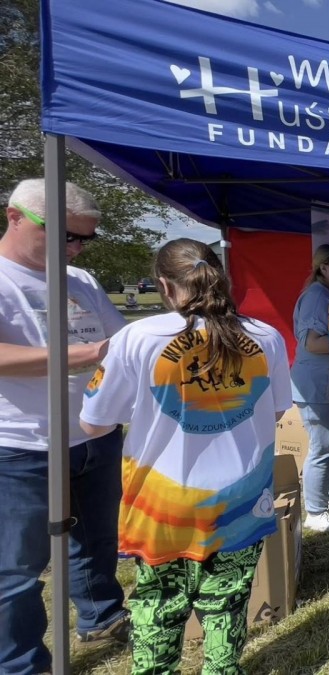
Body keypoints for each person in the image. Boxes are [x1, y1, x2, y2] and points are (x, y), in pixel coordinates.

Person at [80, 238, 291, 675]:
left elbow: (94, 423)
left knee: (158, 602)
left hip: (161, 501)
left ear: (163, 284)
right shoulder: (265, 336)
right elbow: (276, 410)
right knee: (229, 599)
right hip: (241, 497)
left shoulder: (137, 337)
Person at [0, 179, 131, 673]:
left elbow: (120, 341)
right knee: (17, 567)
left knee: (97, 540)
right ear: (15, 216)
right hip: (21, 445)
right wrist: (84, 355)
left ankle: (102, 616)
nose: (76, 248)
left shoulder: (81, 280)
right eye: (65, 236)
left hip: (95, 435)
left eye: (86, 239)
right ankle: (21, 663)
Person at [292, 244, 329, 533]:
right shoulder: (317, 296)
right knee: (323, 447)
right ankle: (315, 512)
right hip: (316, 386)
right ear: (323, 267)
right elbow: (312, 343)